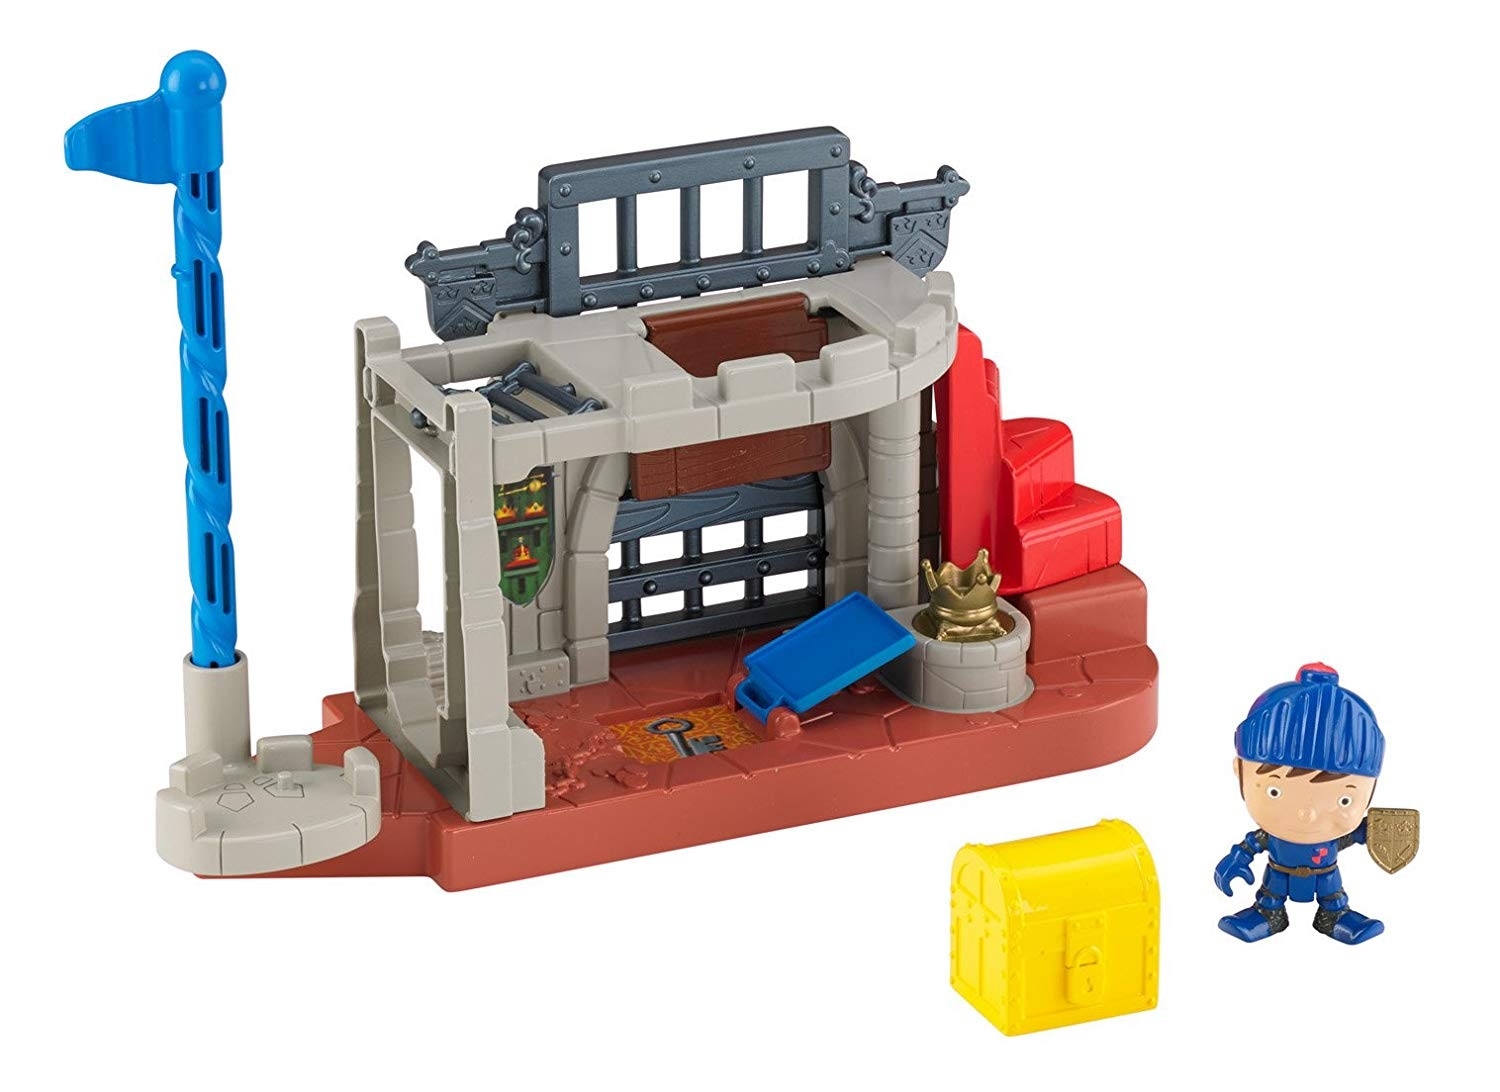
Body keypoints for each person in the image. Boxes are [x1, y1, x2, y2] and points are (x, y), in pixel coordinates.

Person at [1213, 663, 1387, 944]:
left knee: (1332, 895)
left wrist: (1375, 831)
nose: (1307, 814)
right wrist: (1236, 859)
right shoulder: (1272, 835)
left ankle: (1334, 917)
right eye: (1274, 791)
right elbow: (1251, 844)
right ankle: (1269, 915)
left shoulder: (1332, 836)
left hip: (1326, 875)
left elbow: (1357, 835)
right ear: (1239, 771)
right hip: (1278, 873)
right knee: (1271, 894)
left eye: (1344, 799)